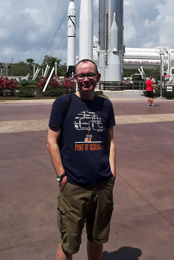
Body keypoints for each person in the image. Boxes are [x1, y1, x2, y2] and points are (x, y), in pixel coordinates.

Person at [47, 59, 116, 260]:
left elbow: (110, 140)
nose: (86, 79)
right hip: (74, 185)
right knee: (69, 242)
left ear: (98, 77)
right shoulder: (63, 103)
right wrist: (61, 175)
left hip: (103, 184)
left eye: (90, 75)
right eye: (82, 75)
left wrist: (112, 171)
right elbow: (51, 142)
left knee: (97, 237)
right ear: (75, 78)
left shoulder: (105, 104)